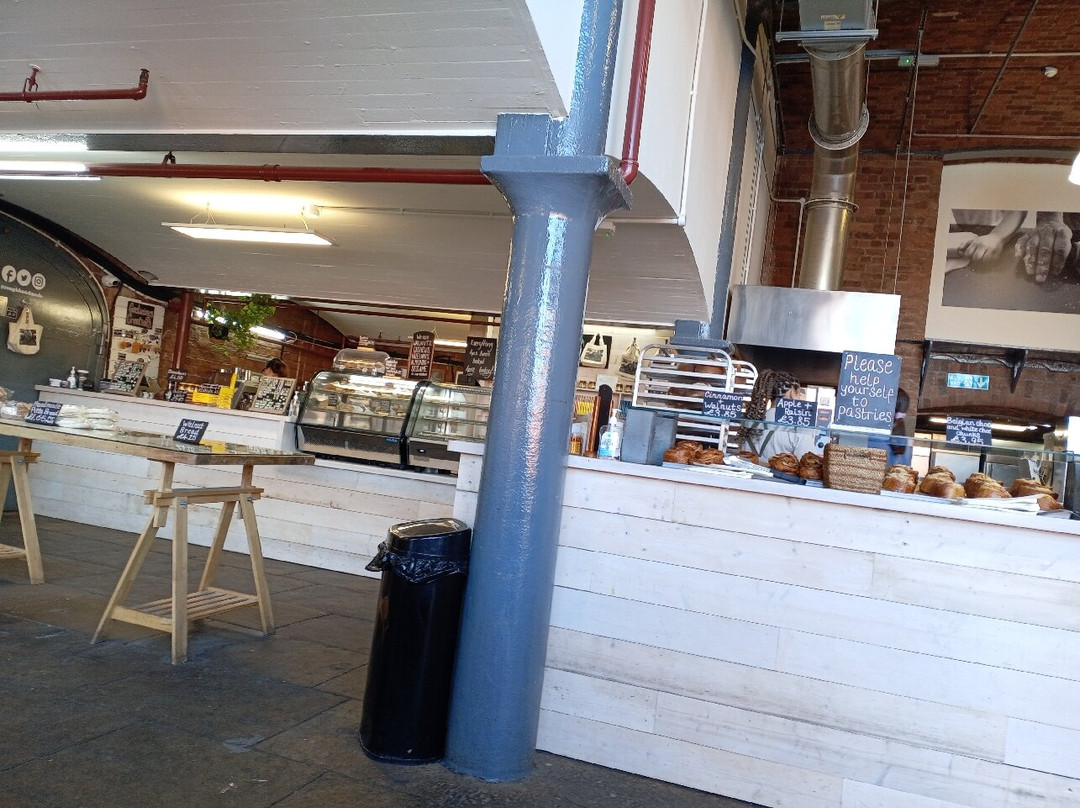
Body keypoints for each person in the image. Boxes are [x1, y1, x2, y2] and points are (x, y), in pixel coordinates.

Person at [736, 369, 822, 461]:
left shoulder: (751, 421)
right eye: (799, 394)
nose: (800, 397)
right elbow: (808, 462)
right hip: (780, 471)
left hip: (748, 470)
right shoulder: (798, 426)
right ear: (792, 393)